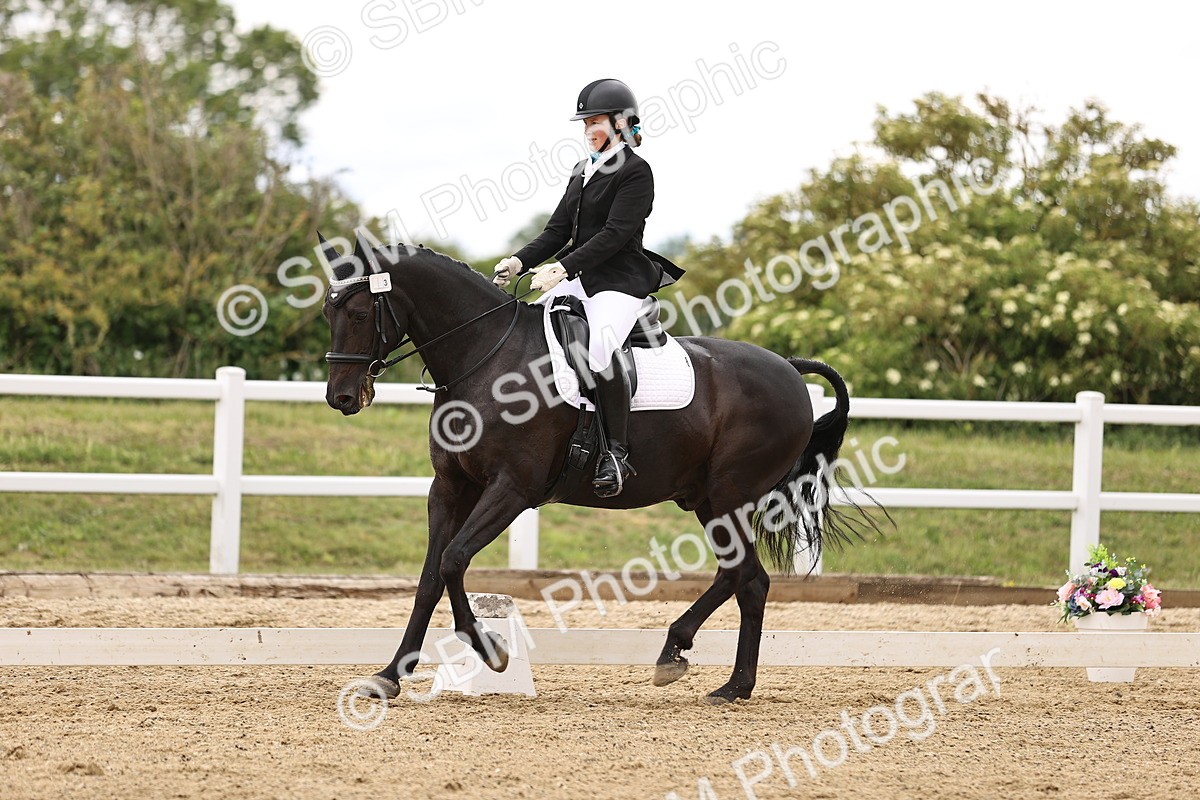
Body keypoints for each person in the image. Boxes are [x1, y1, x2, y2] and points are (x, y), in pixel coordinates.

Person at [492, 78, 674, 499]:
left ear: (620, 123)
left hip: (619, 282)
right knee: (528, 331)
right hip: (578, 279)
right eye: (586, 123)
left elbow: (615, 234)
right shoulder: (581, 171)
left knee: (600, 348)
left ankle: (616, 453)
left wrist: (562, 268)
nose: (589, 129)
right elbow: (557, 231)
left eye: (596, 121)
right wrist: (518, 261)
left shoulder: (636, 171)